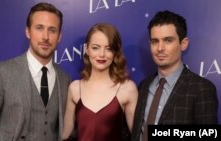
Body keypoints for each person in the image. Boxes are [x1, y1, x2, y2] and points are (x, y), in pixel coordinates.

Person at [0, 2, 71, 141]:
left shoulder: (65, 79)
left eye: (52, 30)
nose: (45, 36)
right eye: (39, 28)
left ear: (59, 36)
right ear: (28, 32)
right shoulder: (2, 72)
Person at [131, 10, 218, 141]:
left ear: (183, 44)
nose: (160, 48)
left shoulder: (202, 89)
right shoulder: (143, 86)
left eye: (168, 40)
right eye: (155, 41)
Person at [62, 23, 138, 141]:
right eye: (95, 47)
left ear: (115, 53)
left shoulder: (127, 88)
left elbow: (139, 135)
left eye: (108, 48)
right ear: (87, 50)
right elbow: (64, 135)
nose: (101, 54)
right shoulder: (75, 88)